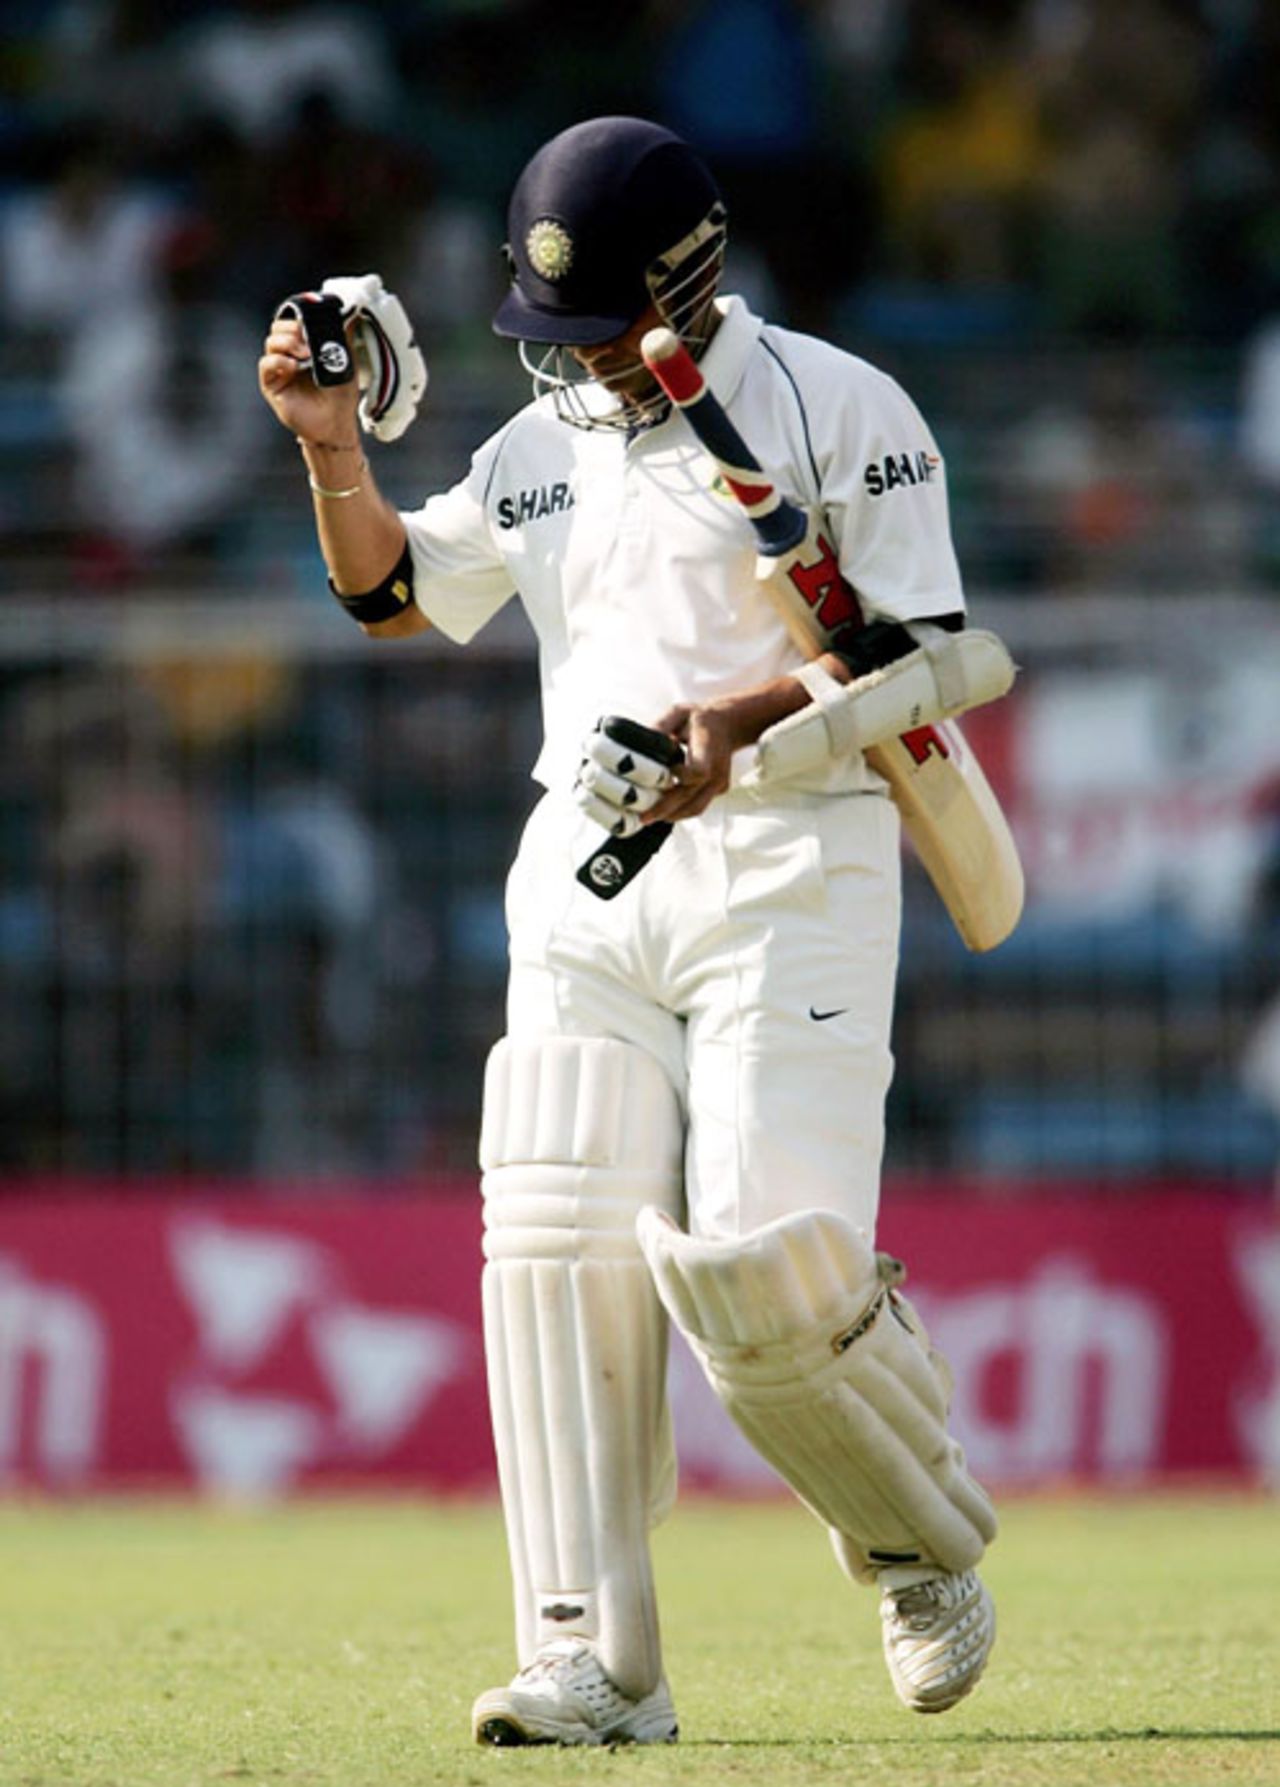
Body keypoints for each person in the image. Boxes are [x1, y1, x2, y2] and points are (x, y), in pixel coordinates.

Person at [258, 115, 998, 1747]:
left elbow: (931, 653)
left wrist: (735, 727)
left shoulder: (834, 404)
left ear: (691, 279)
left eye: (598, 332)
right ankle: (594, 1660)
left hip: (795, 861)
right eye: (556, 337)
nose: (576, 367)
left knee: (763, 1285)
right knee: (551, 1231)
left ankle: (913, 1542)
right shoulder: (543, 445)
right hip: (587, 870)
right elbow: (392, 597)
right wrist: (329, 449)